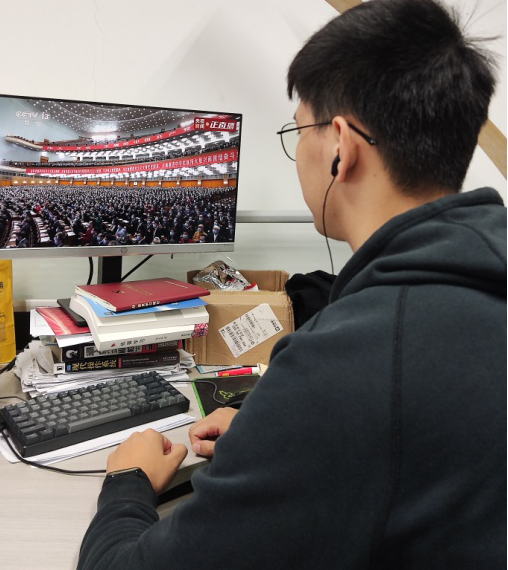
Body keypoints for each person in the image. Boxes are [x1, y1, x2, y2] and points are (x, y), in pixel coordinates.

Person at [77, 1, 507, 568]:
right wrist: (274, 430)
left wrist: (126, 482)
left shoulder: (347, 364)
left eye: (299, 129)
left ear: (340, 147)